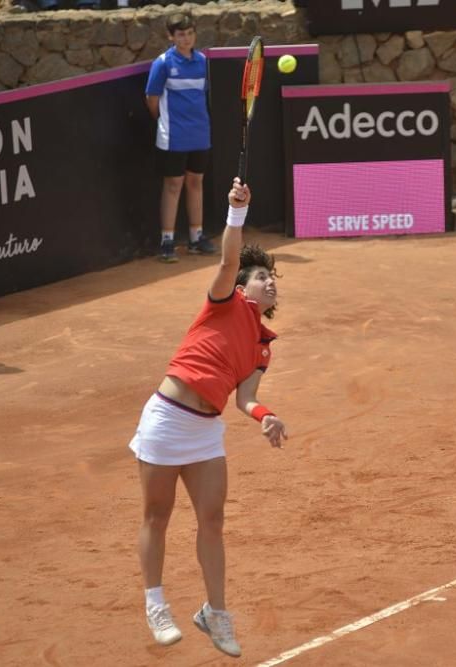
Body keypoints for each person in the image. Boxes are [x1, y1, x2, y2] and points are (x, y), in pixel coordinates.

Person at [129, 178, 287, 657]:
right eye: (260, 275)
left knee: (212, 520)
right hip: (165, 418)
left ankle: (215, 613)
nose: (270, 280)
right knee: (157, 515)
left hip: (204, 431)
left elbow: (245, 400)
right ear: (243, 287)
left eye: (273, 279)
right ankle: (156, 603)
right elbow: (228, 258)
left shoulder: (262, 348)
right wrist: (236, 213)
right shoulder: (223, 301)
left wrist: (266, 416)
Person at [145, 12, 216, 263]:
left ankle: (196, 238)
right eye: (180, 35)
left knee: (195, 182)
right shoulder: (162, 63)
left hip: (200, 134)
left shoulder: (202, 61)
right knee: (173, 185)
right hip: (173, 136)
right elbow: (152, 100)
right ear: (171, 37)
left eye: (189, 33)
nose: (186, 39)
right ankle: (167, 242)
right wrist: (164, 122)